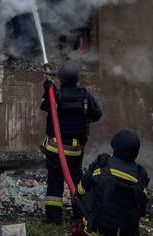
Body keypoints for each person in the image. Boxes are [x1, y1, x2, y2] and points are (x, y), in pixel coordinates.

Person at [40, 60, 102, 223]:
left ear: (60, 78)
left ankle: (54, 218)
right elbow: (97, 115)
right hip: (75, 150)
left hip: (55, 148)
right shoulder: (85, 97)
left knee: (55, 182)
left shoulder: (57, 96)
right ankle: (79, 212)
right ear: (77, 78)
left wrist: (47, 91)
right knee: (77, 181)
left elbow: (44, 106)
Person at [75, 129, 150, 236]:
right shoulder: (140, 176)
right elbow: (142, 208)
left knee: (85, 193)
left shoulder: (102, 165)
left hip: (95, 231)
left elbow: (80, 190)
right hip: (124, 232)